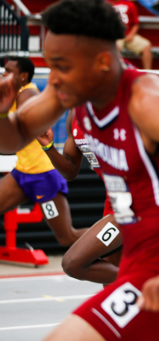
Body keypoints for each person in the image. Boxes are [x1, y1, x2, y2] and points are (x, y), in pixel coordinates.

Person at [0, 1, 159, 340]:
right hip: (132, 256)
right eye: (48, 65)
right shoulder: (73, 94)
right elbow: (12, 138)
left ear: (101, 62)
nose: (51, 78)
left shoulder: (147, 101)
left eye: (60, 66)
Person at [0, 56, 86, 247]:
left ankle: (116, 246)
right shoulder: (12, 93)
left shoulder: (27, 94)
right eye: (3, 70)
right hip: (22, 173)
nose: (4, 73)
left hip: (43, 176)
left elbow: (21, 125)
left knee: (67, 238)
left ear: (23, 76)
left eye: (9, 70)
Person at [37, 110, 122, 285]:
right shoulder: (74, 116)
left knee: (73, 263)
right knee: (108, 280)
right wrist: (48, 146)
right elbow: (70, 170)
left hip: (136, 202)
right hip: (113, 201)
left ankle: (142, 279)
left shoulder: (119, 110)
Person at [107, 0, 153, 70]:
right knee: (114, 47)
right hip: (114, 36)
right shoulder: (106, 4)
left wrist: (131, 34)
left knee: (146, 45)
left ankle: (148, 71)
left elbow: (136, 24)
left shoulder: (129, 4)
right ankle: (116, 71)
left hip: (128, 34)